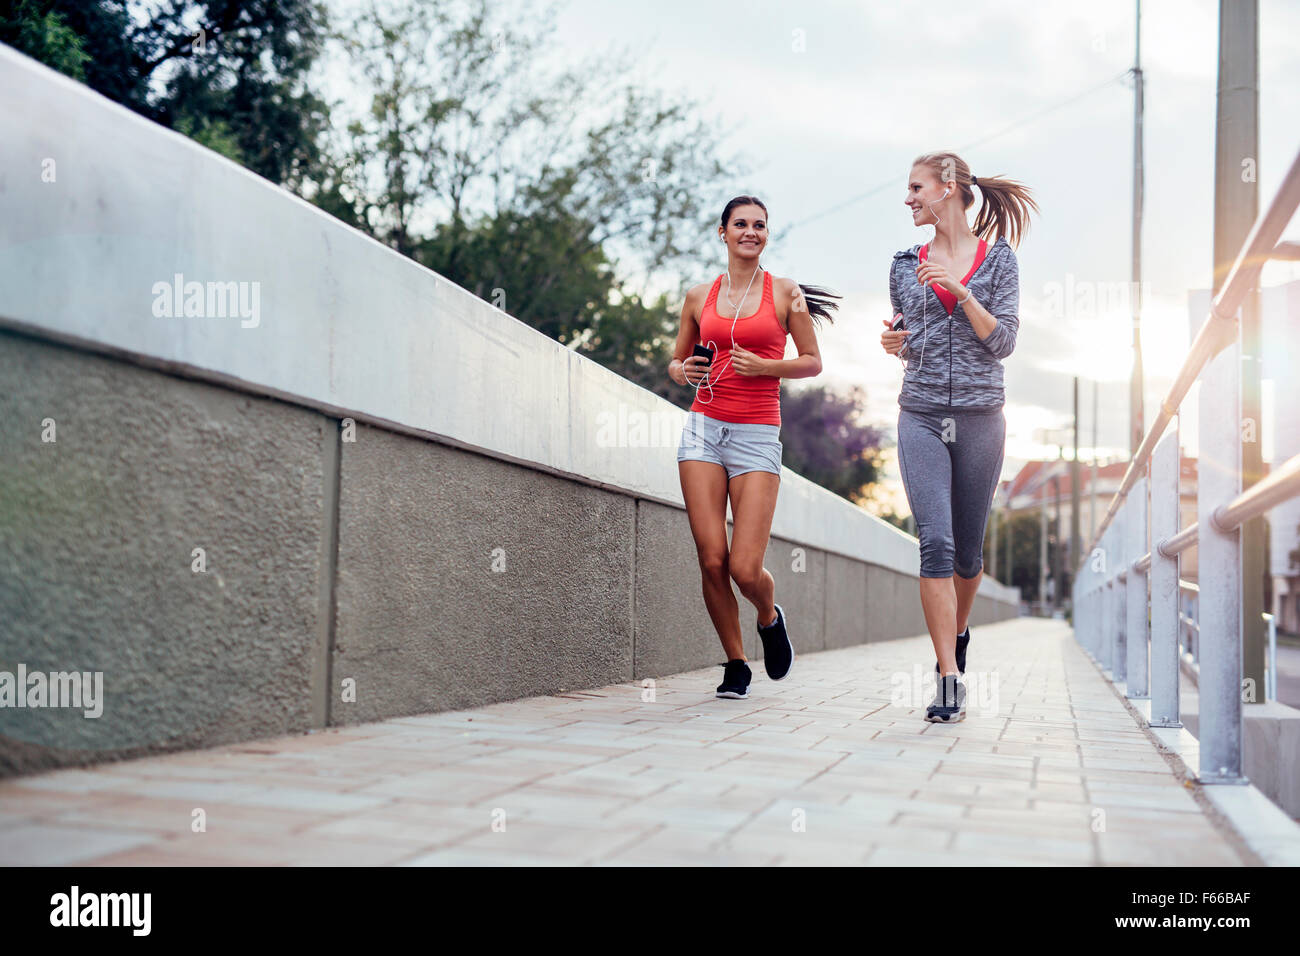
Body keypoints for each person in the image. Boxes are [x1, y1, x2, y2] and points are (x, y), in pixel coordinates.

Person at [879, 153, 1037, 723]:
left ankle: (960, 632)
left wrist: (962, 293)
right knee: (936, 544)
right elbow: (907, 331)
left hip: (979, 419)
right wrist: (896, 341)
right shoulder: (902, 263)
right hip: (919, 414)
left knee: (969, 554)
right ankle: (947, 675)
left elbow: (1003, 344)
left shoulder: (999, 261)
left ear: (948, 190)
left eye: (916, 187)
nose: (909, 198)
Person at [669, 195, 840, 699]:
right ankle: (736, 663)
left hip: (757, 434)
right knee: (710, 558)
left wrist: (766, 368)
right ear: (722, 233)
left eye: (759, 225)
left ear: (767, 235)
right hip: (703, 430)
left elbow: (812, 361)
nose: (751, 231)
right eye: (740, 224)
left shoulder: (786, 294)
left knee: (745, 567)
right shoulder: (699, 296)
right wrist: (686, 371)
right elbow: (675, 365)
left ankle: (769, 615)